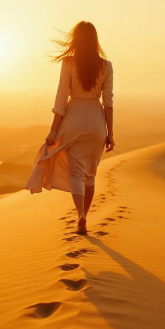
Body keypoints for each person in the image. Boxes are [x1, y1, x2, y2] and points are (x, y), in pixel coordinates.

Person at [24, 21, 114, 235]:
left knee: (76, 172)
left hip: (73, 118)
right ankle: (85, 214)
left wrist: (53, 131)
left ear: (75, 41)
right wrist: (111, 133)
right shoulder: (106, 66)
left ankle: (80, 216)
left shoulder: (68, 63)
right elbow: (108, 102)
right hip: (96, 123)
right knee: (90, 175)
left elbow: (61, 101)